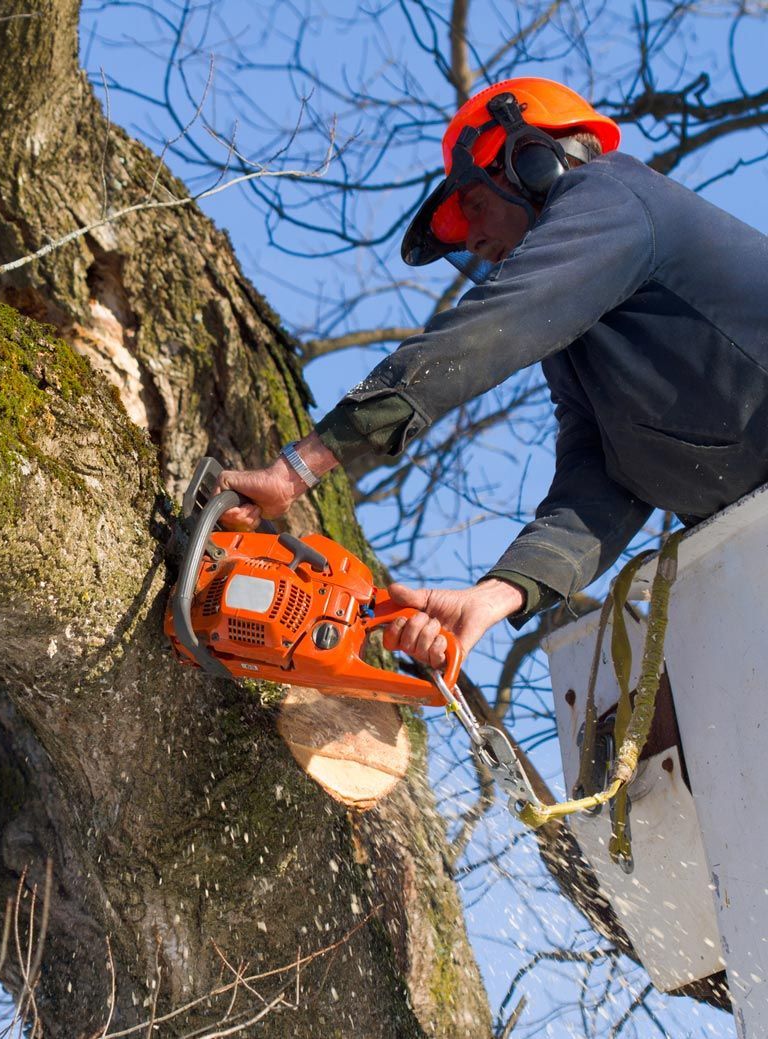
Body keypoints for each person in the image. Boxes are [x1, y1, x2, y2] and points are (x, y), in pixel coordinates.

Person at [218, 77, 768, 669]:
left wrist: (299, 465)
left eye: (474, 205)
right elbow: (600, 486)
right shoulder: (579, 346)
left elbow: (488, 330)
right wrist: (493, 596)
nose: (475, 242)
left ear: (533, 162)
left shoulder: (615, 193)